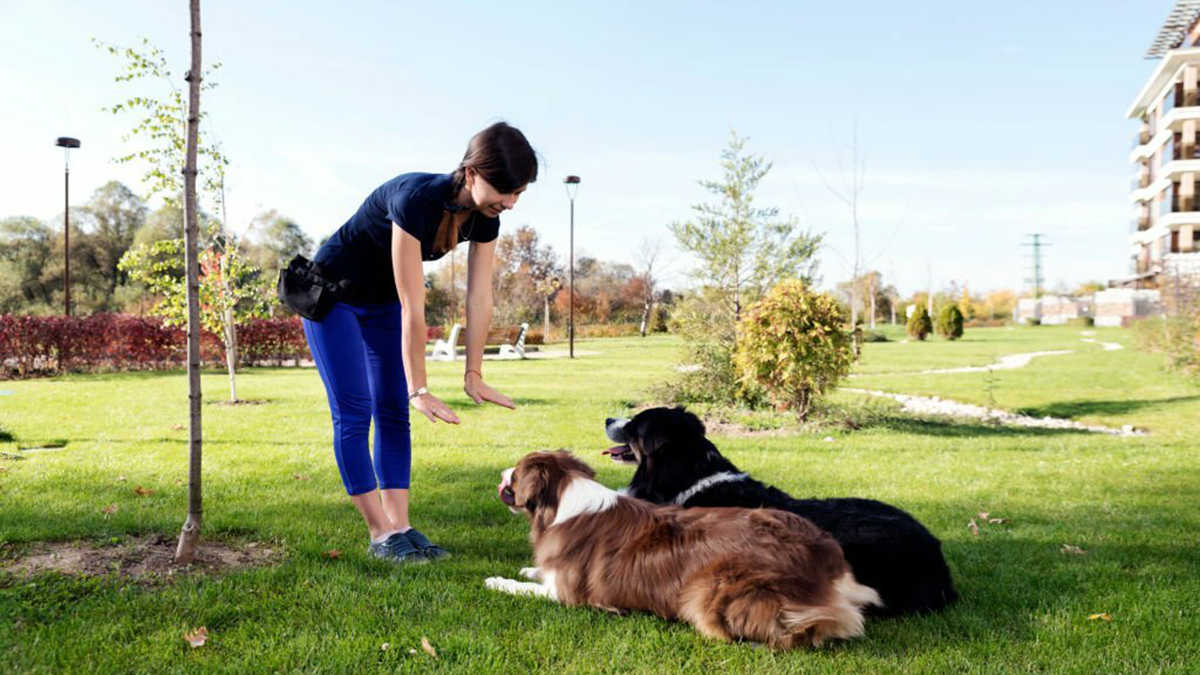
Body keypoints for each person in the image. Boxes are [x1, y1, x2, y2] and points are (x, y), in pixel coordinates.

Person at [304, 122, 536, 564]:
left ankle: (402, 527)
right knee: (356, 412)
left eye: (518, 193)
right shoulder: (416, 199)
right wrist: (421, 388)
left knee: (394, 413)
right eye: (504, 189)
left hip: (381, 303)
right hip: (333, 298)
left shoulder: (485, 219)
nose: (509, 202)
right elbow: (415, 303)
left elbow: (479, 296)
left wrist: (474, 373)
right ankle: (379, 533)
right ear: (470, 173)